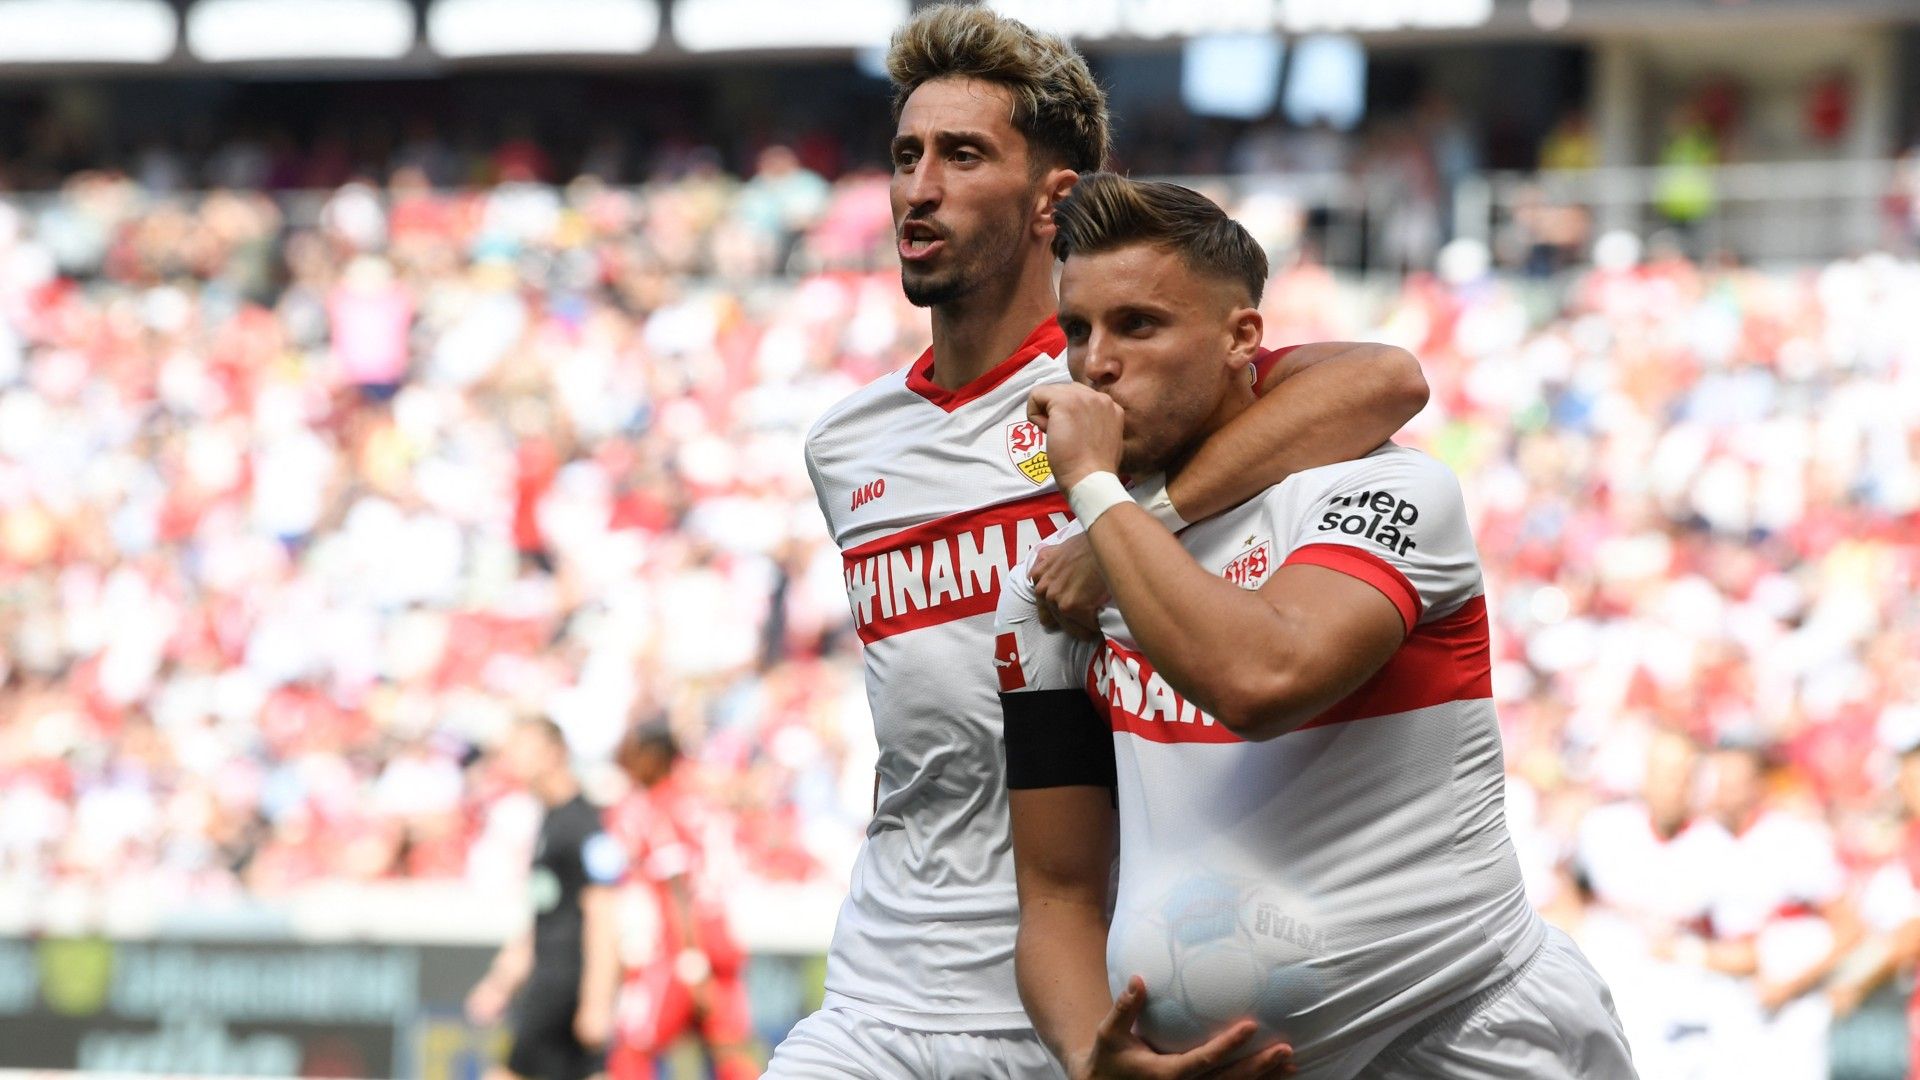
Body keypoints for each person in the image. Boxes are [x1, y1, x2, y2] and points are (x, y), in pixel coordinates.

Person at [770, 5, 1429, 1076]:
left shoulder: (1125, 380)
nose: (917, 187)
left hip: (1088, 989)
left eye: (962, 154)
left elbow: (1384, 379)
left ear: (1053, 199)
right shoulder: (847, 444)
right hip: (883, 981)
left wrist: (1137, 509)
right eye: (904, 156)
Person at [997, 172, 1634, 1078]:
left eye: (1137, 325)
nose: (1095, 362)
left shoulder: (1381, 488)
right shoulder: (1053, 586)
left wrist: (1101, 495)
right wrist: (1086, 1052)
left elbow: (1266, 680)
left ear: (1241, 340)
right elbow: (1056, 893)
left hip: (1464, 1040)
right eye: (1077, 331)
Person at [598, 722, 757, 1080]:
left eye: (634, 752)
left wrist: (690, 958)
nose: (626, 761)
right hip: (721, 944)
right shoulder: (698, 800)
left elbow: (677, 886)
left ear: (654, 756)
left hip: (682, 948)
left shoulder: (660, 807)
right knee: (731, 1055)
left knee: (631, 1051)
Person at [467, 717, 625, 1080]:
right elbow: (544, 915)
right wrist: (501, 981)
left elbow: (603, 916)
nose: (513, 760)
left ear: (555, 753)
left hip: (565, 982)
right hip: (550, 977)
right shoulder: (549, 822)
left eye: (523, 749)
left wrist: (597, 1001)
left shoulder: (583, 826)